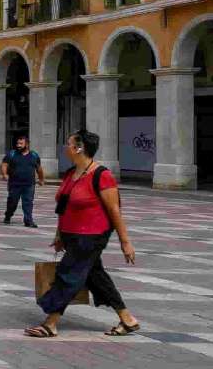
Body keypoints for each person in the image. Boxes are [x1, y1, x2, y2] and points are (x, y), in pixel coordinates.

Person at [28, 129, 140, 339]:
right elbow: (64, 206)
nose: (65, 147)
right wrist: (59, 234)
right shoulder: (71, 173)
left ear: (79, 148)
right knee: (95, 276)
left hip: (92, 236)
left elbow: (114, 210)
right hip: (71, 236)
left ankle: (50, 322)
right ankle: (128, 319)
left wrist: (126, 242)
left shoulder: (102, 175)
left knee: (68, 274)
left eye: (69, 143)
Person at [2, 135, 45, 227]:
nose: (18, 145)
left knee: (28, 202)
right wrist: (5, 174)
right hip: (14, 184)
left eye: (21, 143)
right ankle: (8, 215)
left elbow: (39, 169)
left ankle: (28, 221)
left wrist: (41, 179)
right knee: (12, 202)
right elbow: (4, 164)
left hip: (29, 184)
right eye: (18, 143)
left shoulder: (34, 155)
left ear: (27, 144)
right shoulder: (12, 154)